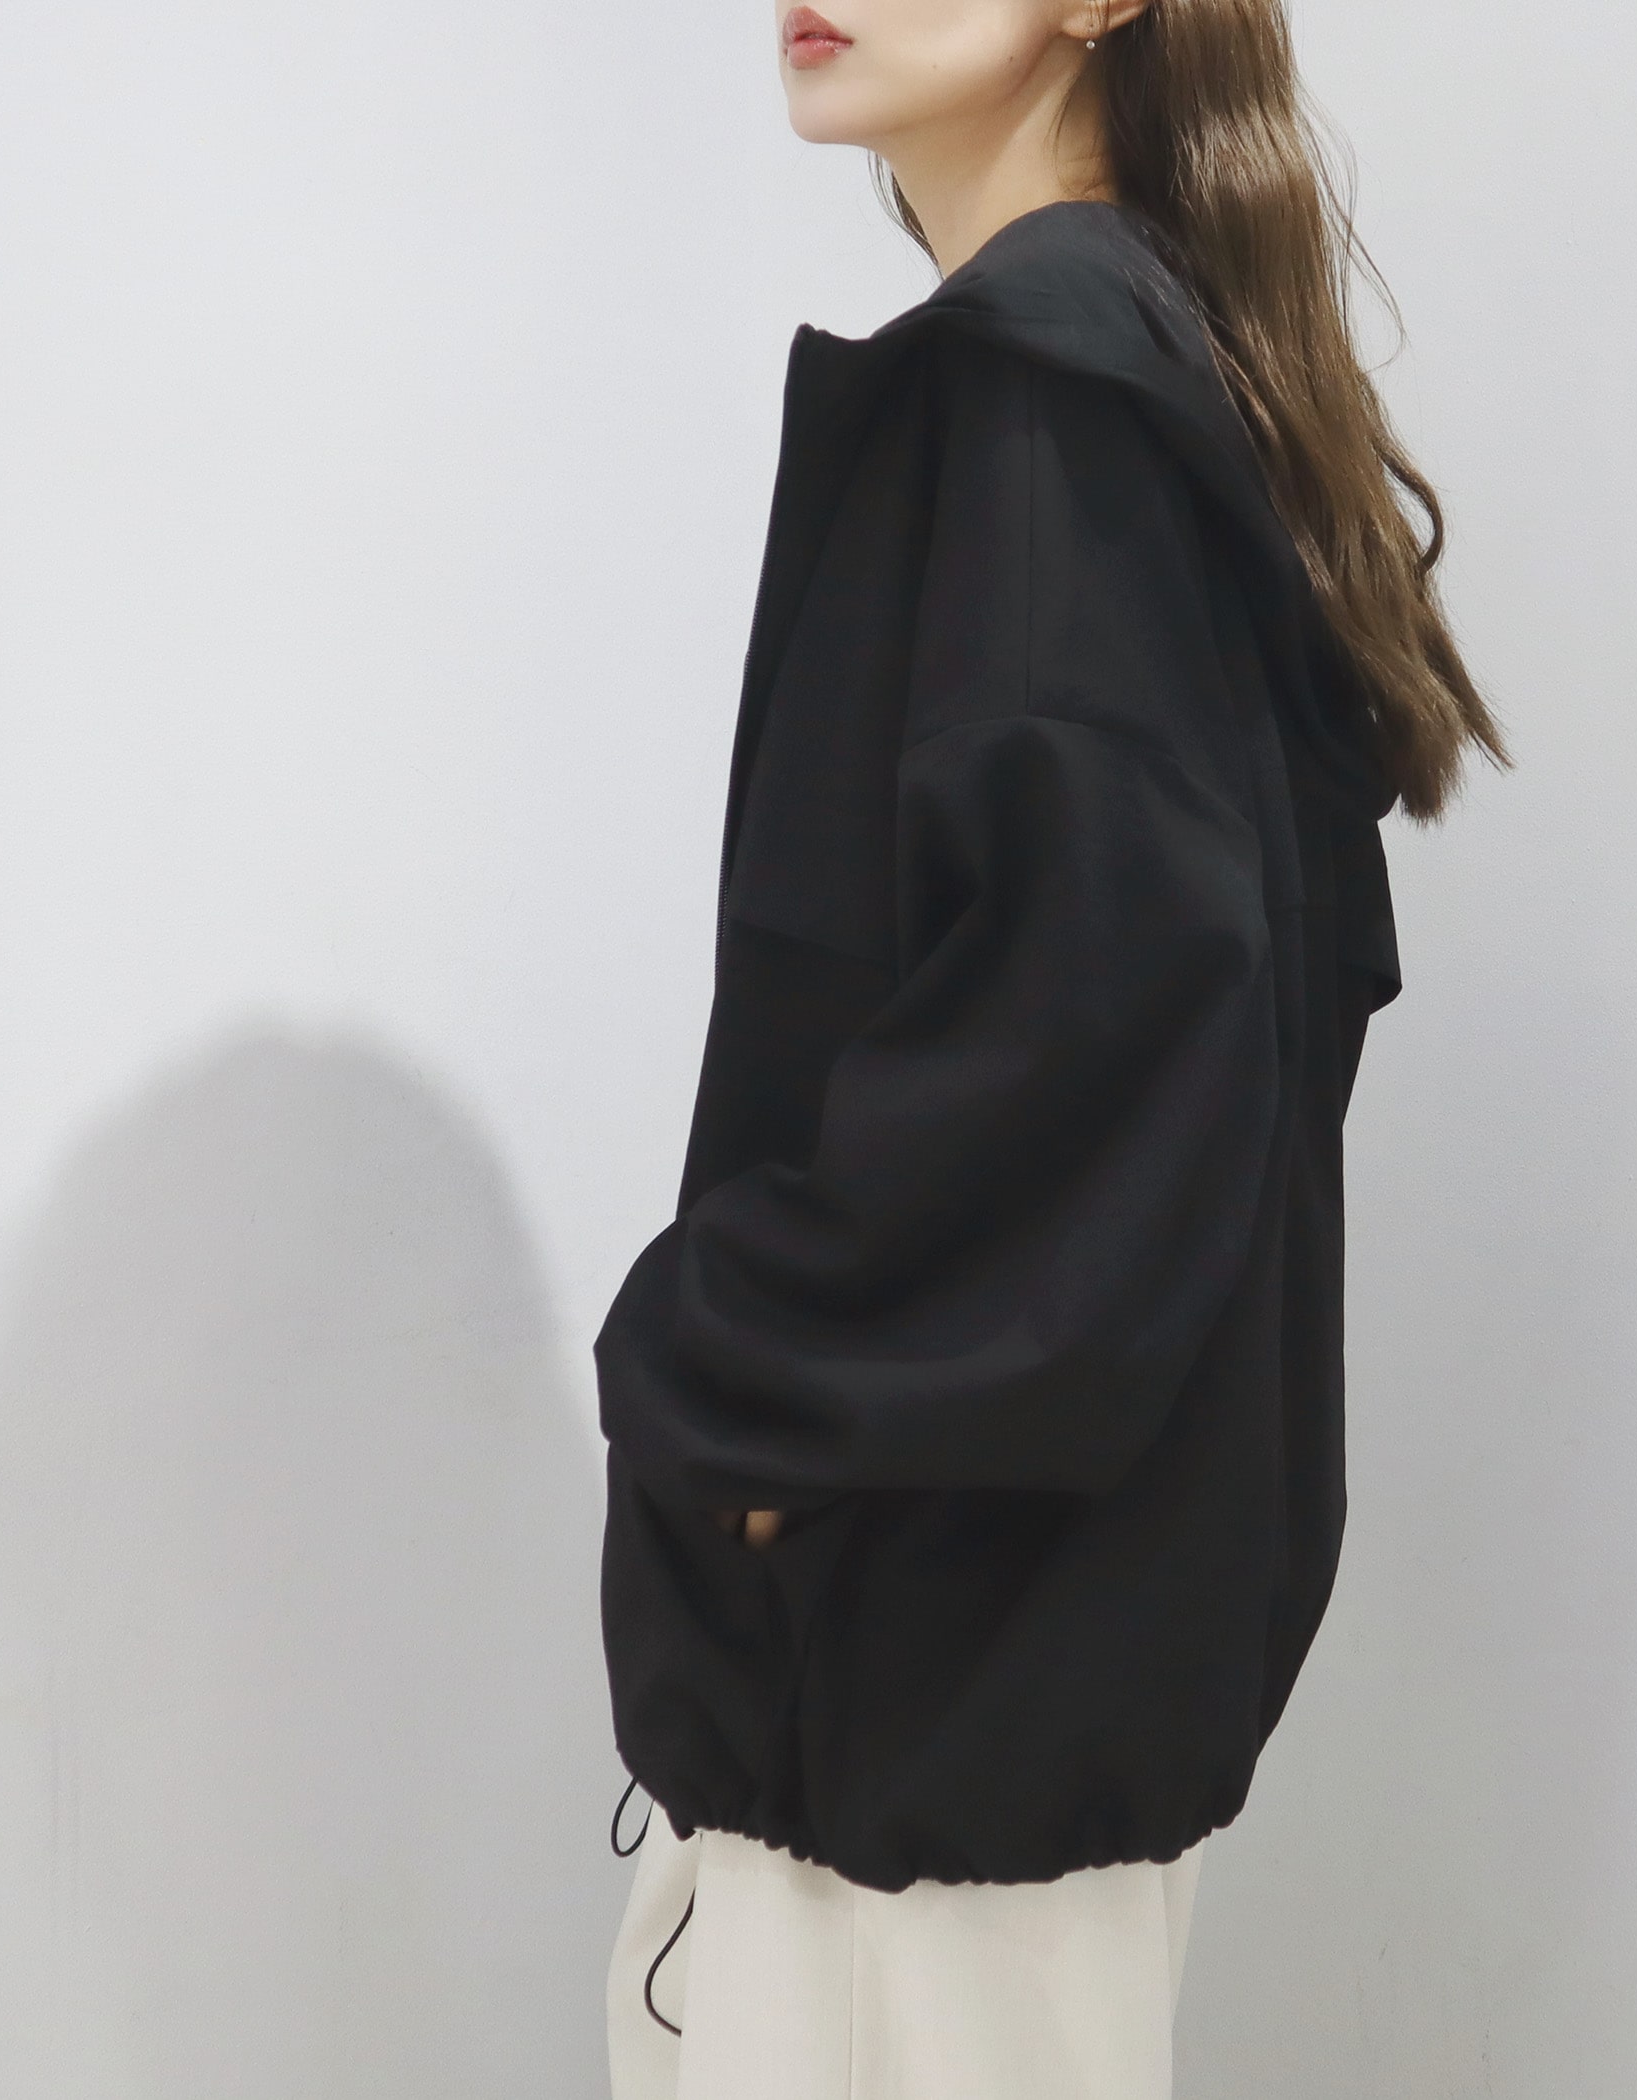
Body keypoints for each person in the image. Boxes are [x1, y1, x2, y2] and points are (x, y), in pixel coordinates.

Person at [594, 1, 1504, 2093]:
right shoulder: (1145, 375)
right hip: (970, 1729)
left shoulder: (1047, 407)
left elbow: (1093, 1063)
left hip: (915, 1749)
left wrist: (717, 1389)